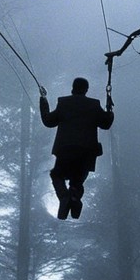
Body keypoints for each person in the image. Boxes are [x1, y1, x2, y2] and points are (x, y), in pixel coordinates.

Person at [39, 77, 114, 220]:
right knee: (77, 180)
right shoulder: (94, 105)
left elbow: (48, 121)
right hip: (87, 152)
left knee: (57, 175)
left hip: (66, 149)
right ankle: (73, 197)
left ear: (73, 88)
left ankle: (64, 197)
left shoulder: (63, 103)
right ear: (86, 89)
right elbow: (106, 123)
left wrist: (43, 100)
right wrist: (110, 109)